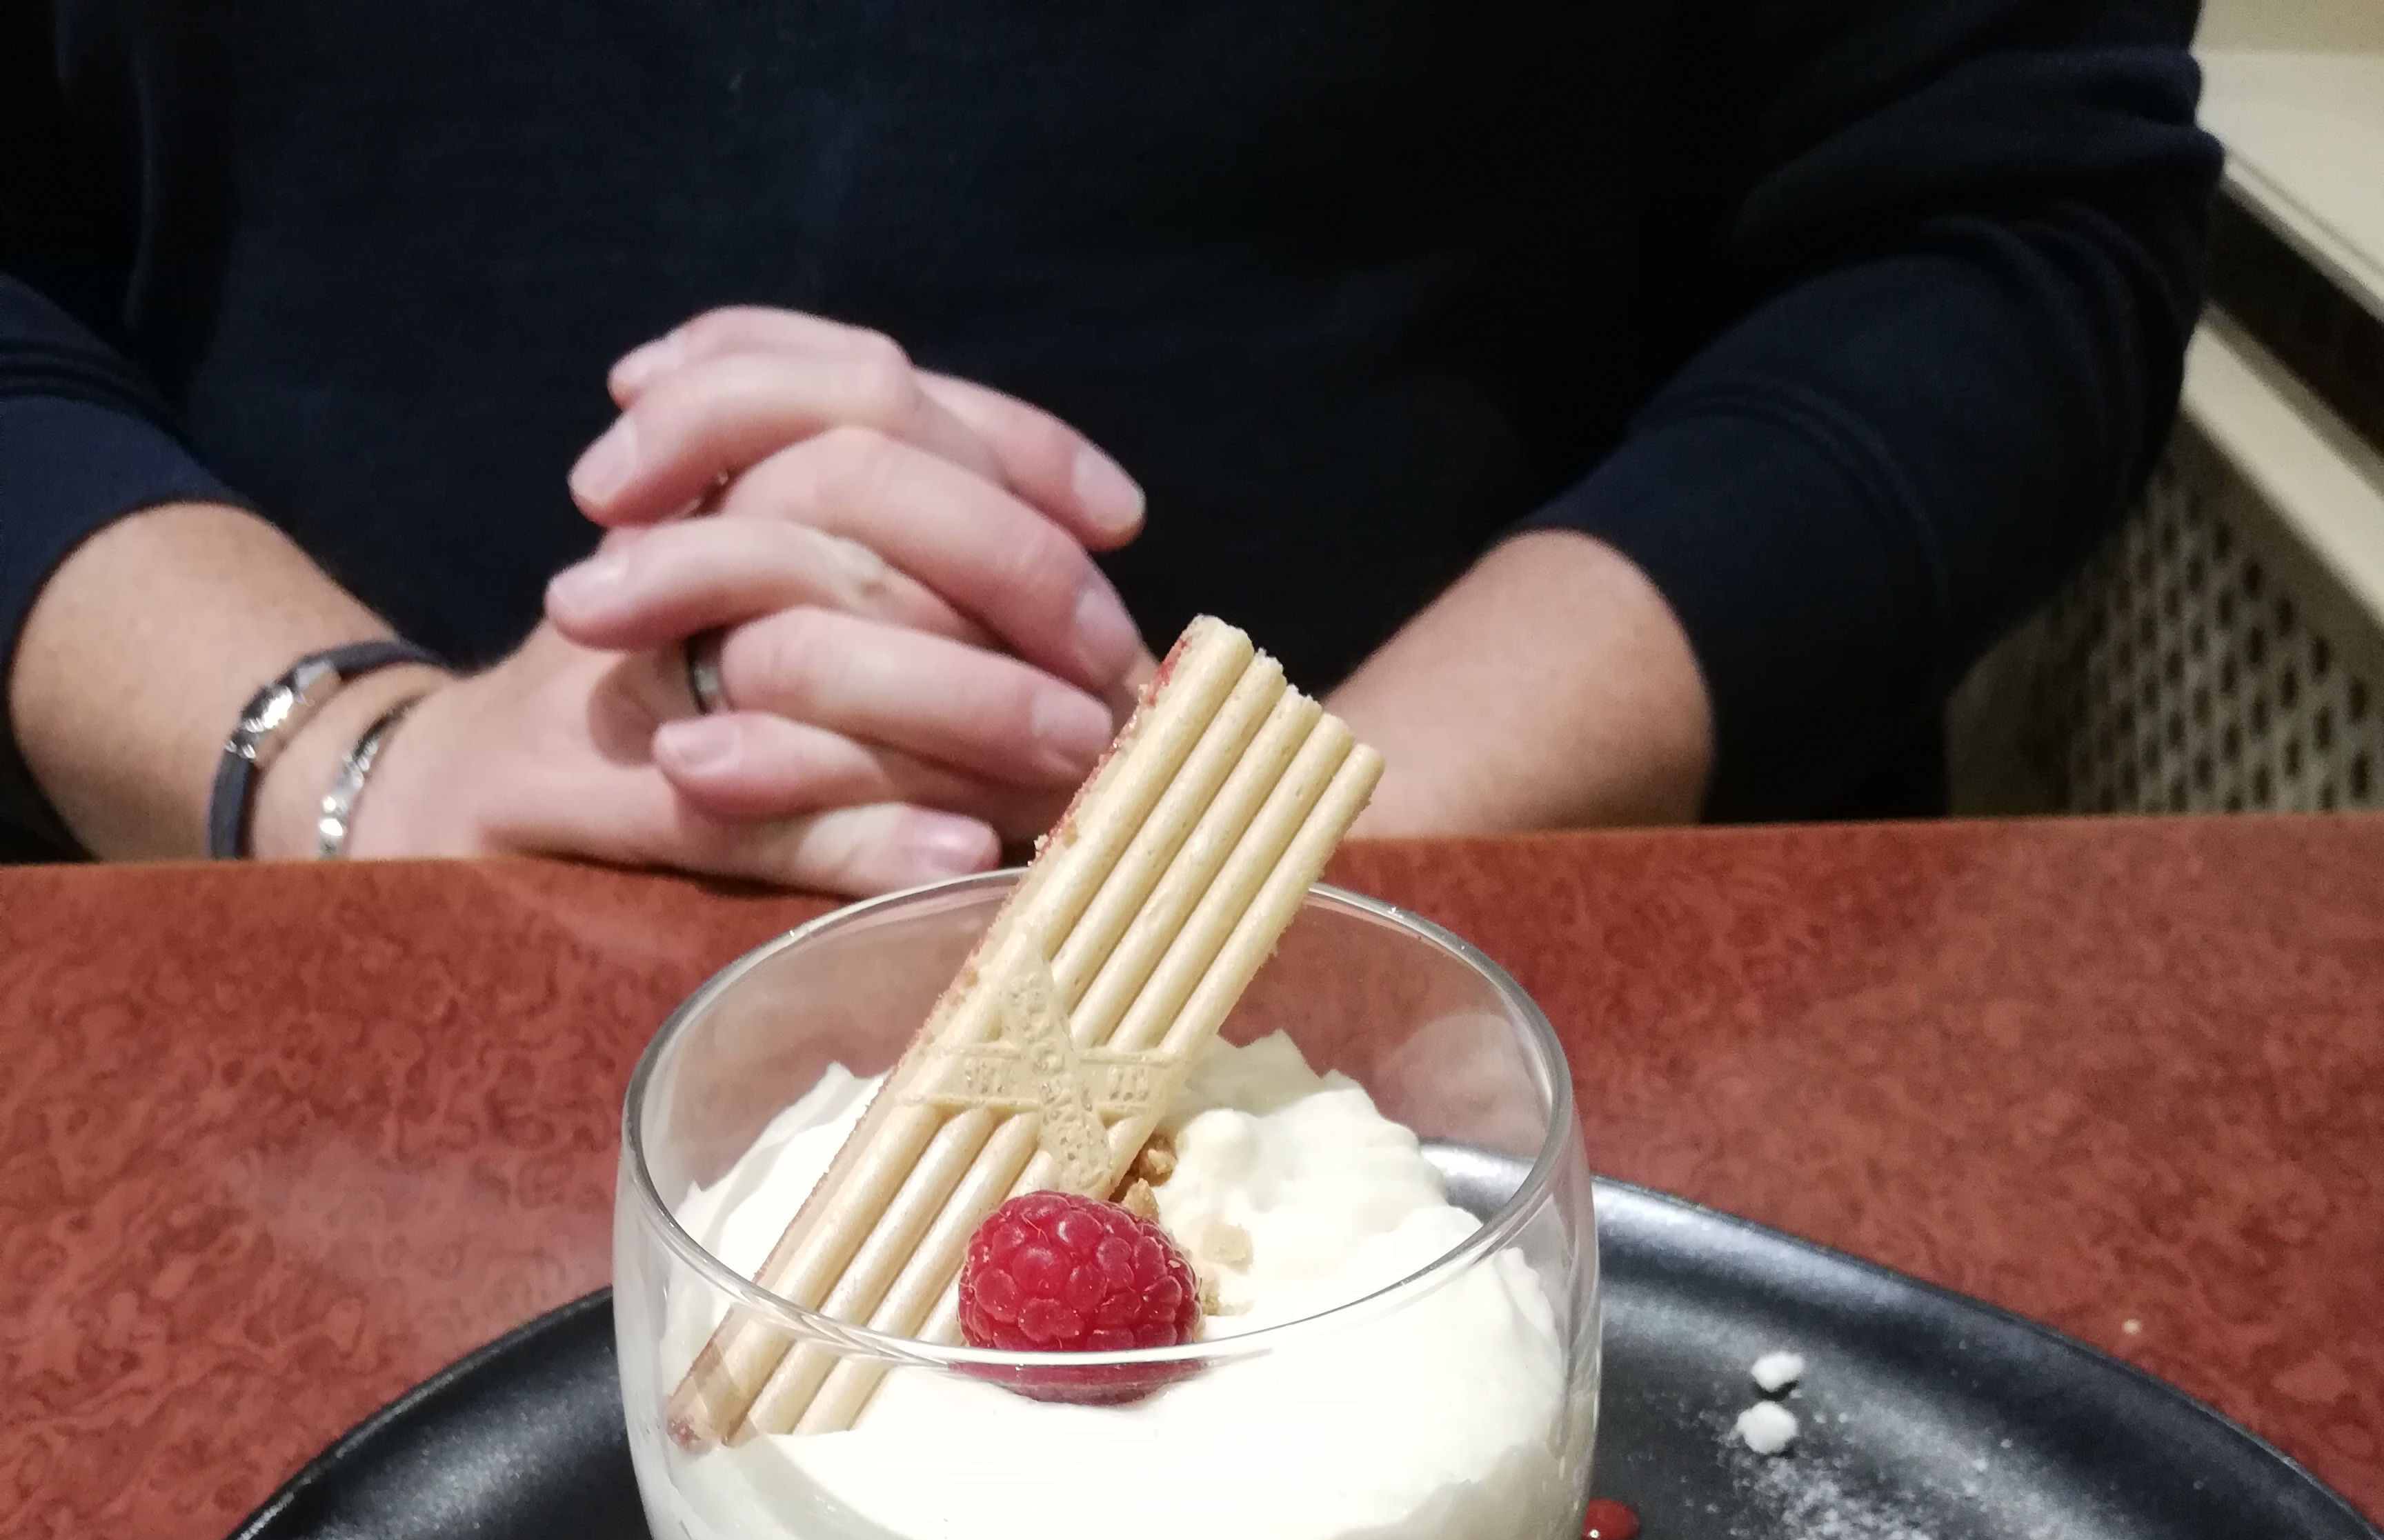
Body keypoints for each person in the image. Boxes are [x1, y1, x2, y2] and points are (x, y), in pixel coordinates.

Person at [1, 4, 2217, 881]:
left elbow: (1996, 218)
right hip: (272, 990)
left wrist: (1300, 851)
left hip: (1487, 1051)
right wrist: (343, 771)